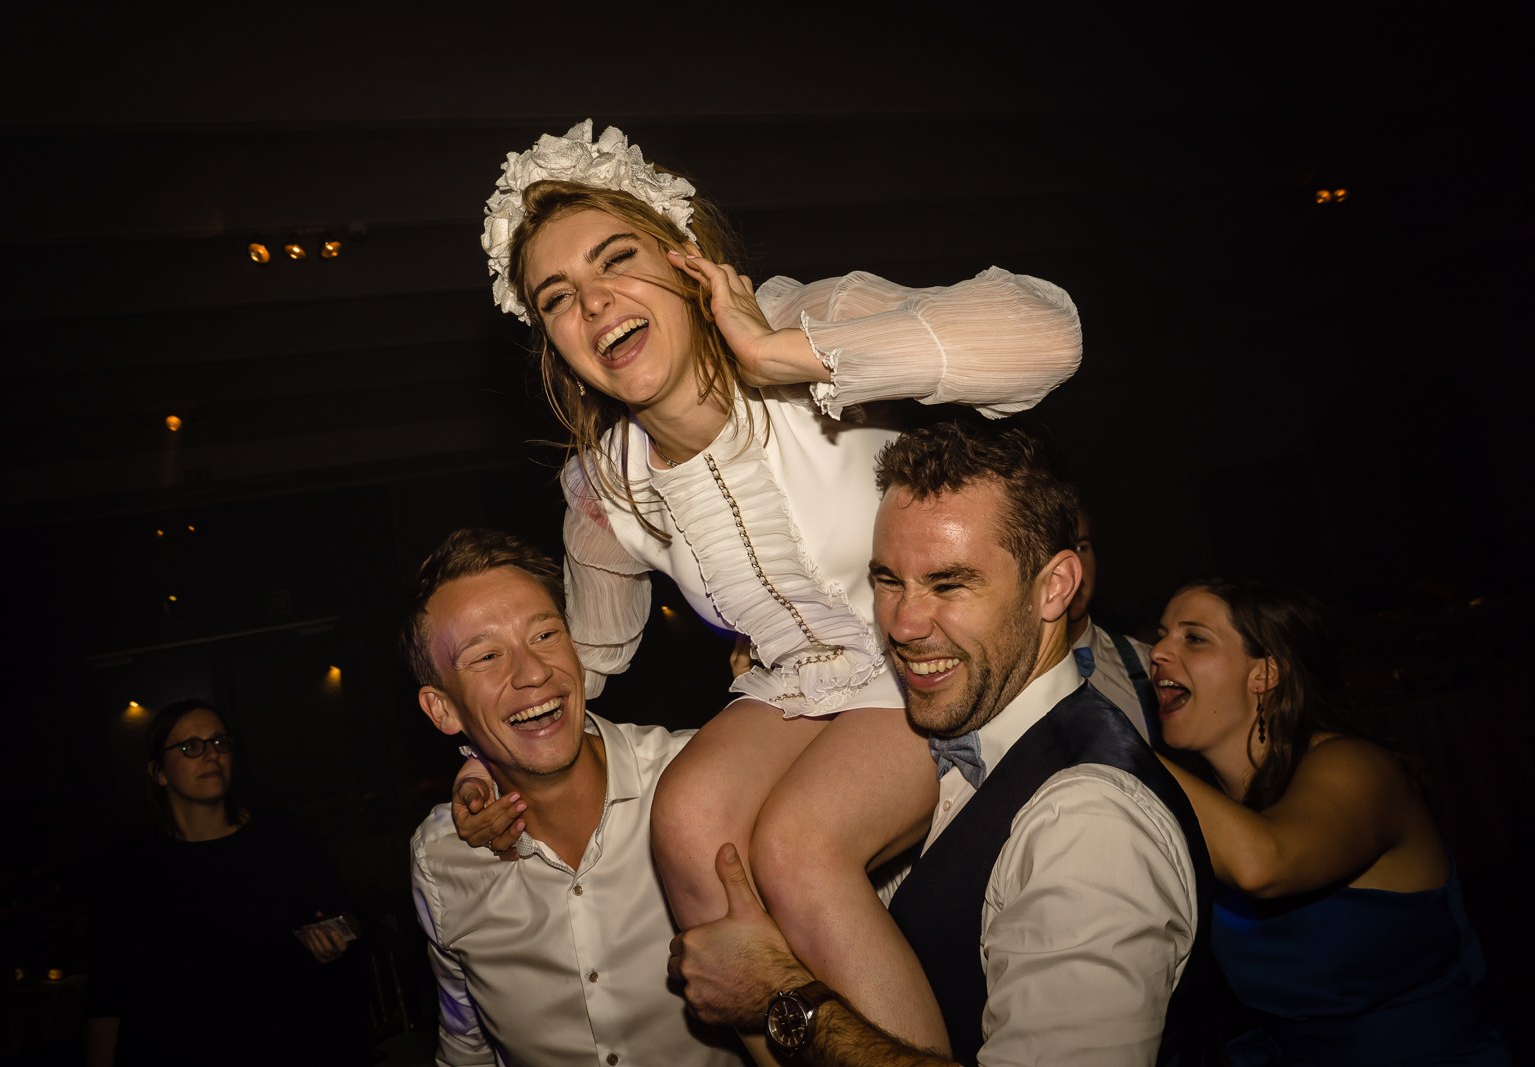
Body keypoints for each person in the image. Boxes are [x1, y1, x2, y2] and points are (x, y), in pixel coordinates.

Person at [457, 118, 1083, 1054]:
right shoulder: (604, 486)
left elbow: (1049, 336)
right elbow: (587, 656)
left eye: (616, 258)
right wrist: (489, 754)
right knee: (687, 820)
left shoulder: (801, 317)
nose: (593, 303)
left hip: (928, 656)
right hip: (797, 683)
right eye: (557, 297)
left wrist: (780, 356)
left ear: (685, 259)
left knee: (797, 843)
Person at [669, 419, 1211, 1066]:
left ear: (1054, 587)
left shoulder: (1089, 825)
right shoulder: (942, 741)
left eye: (949, 584)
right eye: (887, 581)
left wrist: (781, 997)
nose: (902, 623)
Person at [404, 527, 746, 1067]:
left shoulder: (697, 777)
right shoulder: (441, 857)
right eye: (487, 656)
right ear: (442, 709)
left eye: (544, 635)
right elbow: (466, 1045)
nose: (533, 672)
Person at [1150, 577, 1511, 1065]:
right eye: (1162, 635)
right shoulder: (1207, 806)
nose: (1158, 652)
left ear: (1265, 673)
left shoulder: (1358, 769)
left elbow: (1265, 864)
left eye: (1194, 637)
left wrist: (1118, 746)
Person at [83, 700, 369, 1067]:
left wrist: (332, 938)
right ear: (159, 773)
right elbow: (107, 991)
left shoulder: (283, 839)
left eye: (219, 742)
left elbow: (350, 920)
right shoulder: (130, 869)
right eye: (191, 746)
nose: (211, 754)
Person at [1068, 507, 1161, 741]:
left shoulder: (1146, 665)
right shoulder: (1003, 680)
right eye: (1055, 550)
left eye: (1081, 548)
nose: (1074, 567)